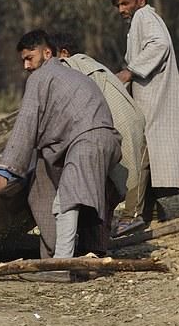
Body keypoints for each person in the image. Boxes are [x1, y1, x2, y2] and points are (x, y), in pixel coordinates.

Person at [0, 30, 121, 261]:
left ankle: (61, 262)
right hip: (107, 141)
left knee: (67, 199)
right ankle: (91, 251)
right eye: (23, 60)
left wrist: (4, 173)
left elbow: (26, 125)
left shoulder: (39, 77)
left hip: (86, 140)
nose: (26, 66)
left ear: (47, 53)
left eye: (30, 58)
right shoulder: (70, 75)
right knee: (79, 196)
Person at [52, 32, 150, 234]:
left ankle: (131, 217)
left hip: (119, 119)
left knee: (129, 170)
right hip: (126, 115)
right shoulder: (88, 62)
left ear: (63, 53)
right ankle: (142, 213)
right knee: (134, 167)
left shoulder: (70, 63)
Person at [111, 0, 179, 222]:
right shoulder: (142, 20)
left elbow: (159, 44)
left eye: (125, 3)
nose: (122, 9)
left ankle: (132, 215)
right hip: (150, 96)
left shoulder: (144, 16)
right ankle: (151, 210)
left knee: (139, 151)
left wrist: (129, 72)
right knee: (150, 151)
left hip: (151, 98)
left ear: (140, 1)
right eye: (119, 5)